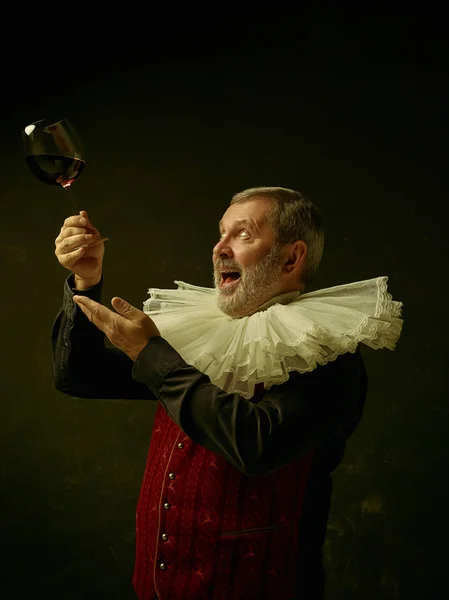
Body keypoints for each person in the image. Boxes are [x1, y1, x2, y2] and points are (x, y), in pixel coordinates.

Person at [52, 187, 403, 600]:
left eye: (243, 235)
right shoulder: (197, 337)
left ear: (292, 257)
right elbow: (79, 374)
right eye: (221, 233)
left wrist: (152, 355)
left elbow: (256, 444)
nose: (220, 248)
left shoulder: (328, 354)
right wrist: (86, 280)